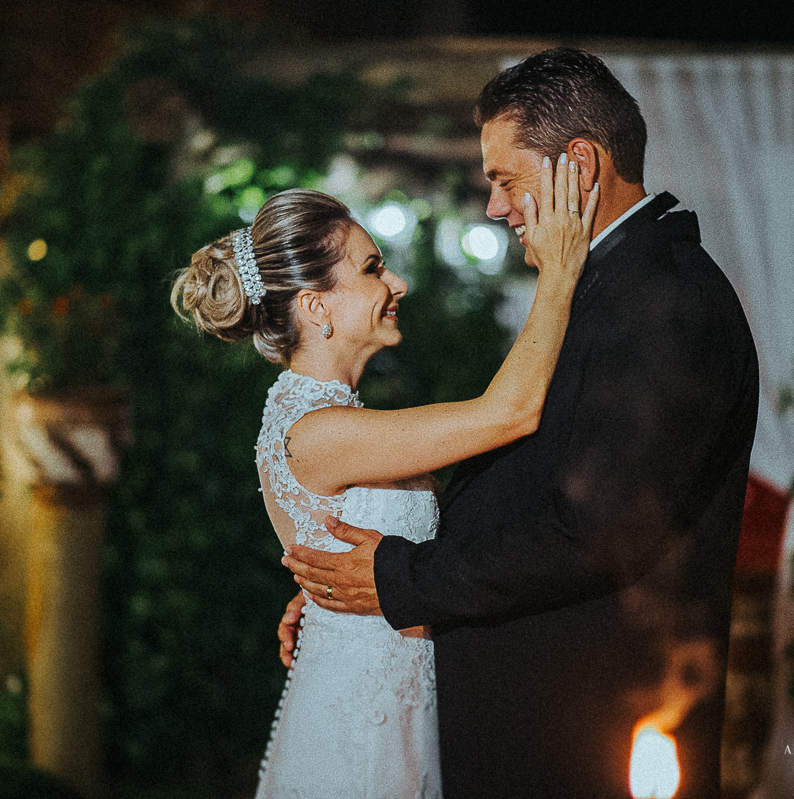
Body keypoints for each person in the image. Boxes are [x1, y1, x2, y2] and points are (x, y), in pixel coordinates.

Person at [282, 47, 760, 799]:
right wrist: (352, 596)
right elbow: (526, 484)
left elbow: (596, 531)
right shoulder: (601, 289)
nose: (495, 207)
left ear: (581, 163)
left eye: (506, 179)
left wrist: (399, 578)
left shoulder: (667, 303)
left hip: (590, 734)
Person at [172, 167, 597, 797]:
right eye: (372, 270)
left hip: (387, 692)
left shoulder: (324, 418)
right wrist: (561, 273)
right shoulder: (316, 432)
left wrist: (321, 605)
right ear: (315, 306)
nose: (396, 283)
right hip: (365, 723)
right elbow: (509, 413)